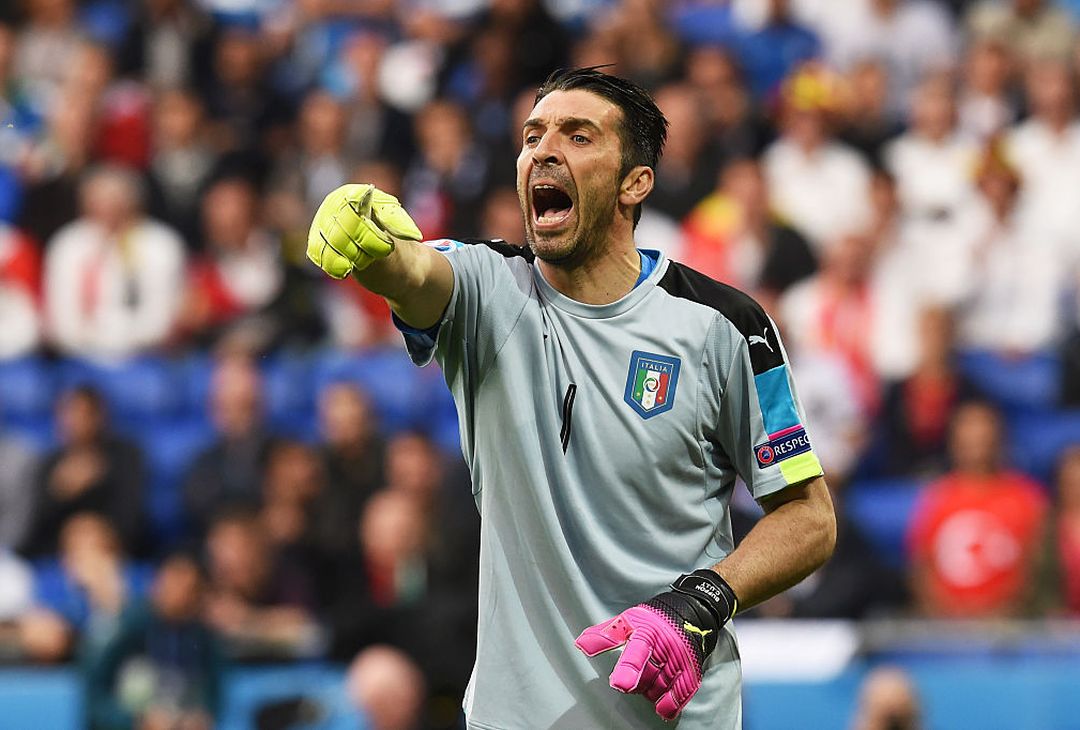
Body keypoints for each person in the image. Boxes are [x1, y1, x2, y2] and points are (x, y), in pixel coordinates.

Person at [306, 67, 835, 728]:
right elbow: (413, 270)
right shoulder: (485, 292)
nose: (544, 150)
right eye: (533, 136)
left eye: (578, 136)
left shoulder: (726, 325)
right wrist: (370, 244)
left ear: (634, 181)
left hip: (678, 718)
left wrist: (704, 600)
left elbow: (809, 517)